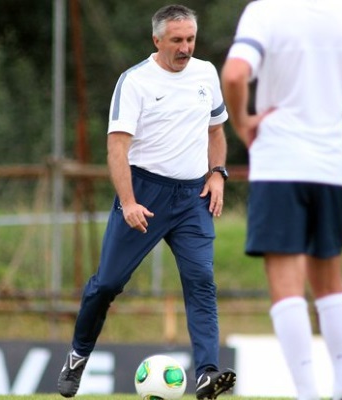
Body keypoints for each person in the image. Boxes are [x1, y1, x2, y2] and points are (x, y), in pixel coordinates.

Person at [221, 1, 342, 399]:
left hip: (279, 162)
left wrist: (242, 125)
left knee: (286, 284)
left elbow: (235, 73)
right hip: (331, 165)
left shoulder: (267, 11)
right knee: (330, 281)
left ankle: (307, 393)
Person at [57, 5, 235, 399]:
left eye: (190, 39)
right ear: (157, 40)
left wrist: (217, 174)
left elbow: (216, 132)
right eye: (177, 40)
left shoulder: (206, 73)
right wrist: (129, 201)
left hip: (192, 198)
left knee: (202, 282)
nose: (185, 47)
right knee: (107, 285)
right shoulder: (134, 81)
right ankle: (77, 355)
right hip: (144, 195)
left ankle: (207, 373)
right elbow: (116, 150)